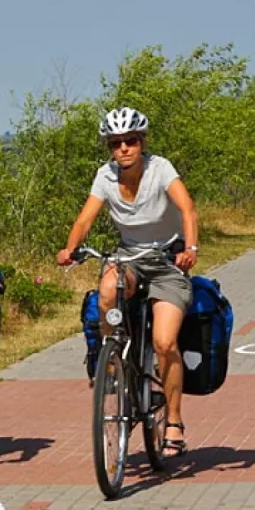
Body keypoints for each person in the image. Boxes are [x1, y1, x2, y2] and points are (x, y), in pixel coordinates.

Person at [56, 106, 200, 457]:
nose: (123, 148)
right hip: (129, 257)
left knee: (164, 343)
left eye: (130, 141)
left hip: (167, 261)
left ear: (142, 142)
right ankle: (112, 356)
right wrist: (71, 248)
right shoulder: (104, 176)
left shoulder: (160, 168)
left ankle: (175, 423)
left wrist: (190, 247)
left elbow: (187, 209)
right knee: (107, 287)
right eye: (115, 143)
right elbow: (85, 218)